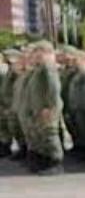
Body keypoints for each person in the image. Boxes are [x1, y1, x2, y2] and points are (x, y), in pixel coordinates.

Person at [22, 41, 65, 175]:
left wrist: (50, 107)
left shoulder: (48, 67)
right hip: (38, 108)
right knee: (40, 135)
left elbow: (53, 89)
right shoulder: (38, 69)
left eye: (37, 52)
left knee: (49, 135)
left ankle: (56, 163)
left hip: (47, 109)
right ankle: (44, 162)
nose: (34, 55)